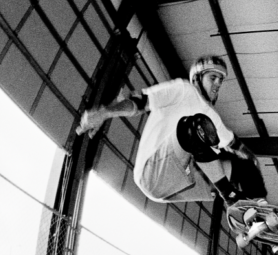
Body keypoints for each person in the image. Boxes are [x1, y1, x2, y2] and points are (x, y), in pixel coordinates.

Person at [76, 56, 267, 209]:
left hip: (179, 184)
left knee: (244, 168)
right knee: (192, 127)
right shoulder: (183, 89)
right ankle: (231, 197)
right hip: (152, 172)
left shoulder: (213, 117)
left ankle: (262, 217)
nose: (218, 84)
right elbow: (141, 102)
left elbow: (233, 143)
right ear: (197, 78)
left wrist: (252, 159)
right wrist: (106, 112)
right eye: (213, 78)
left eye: (220, 81)